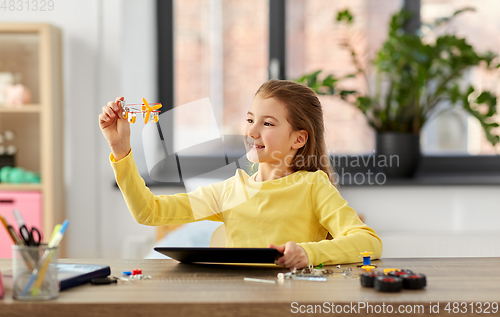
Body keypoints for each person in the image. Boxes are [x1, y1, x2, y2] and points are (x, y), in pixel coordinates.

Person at [99, 79, 382, 268]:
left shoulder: (313, 186)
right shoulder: (230, 191)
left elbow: (368, 242)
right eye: (250, 120)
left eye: (268, 123)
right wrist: (121, 149)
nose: (252, 131)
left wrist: (308, 253)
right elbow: (149, 212)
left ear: (298, 139)